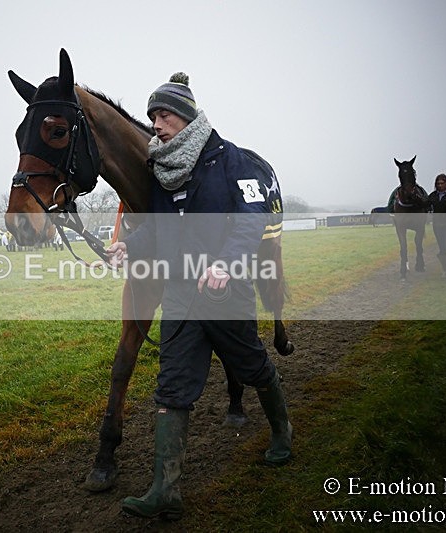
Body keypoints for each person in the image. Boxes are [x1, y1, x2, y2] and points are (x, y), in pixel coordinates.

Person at [106, 73, 292, 520]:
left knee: (253, 367)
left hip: (227, 294)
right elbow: (158, 227)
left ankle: (282, 432)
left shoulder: (232, 161)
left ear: (188, 119)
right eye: (152, 117)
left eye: (164, 114)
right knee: (172, 386)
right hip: (181, 294)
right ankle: (165, 490)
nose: (156, 124)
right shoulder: (164, 172)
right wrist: (129, 245)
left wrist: (226, 263)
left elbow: (250, 221)